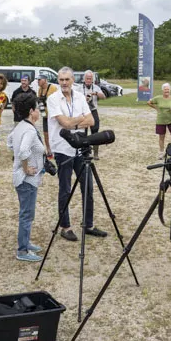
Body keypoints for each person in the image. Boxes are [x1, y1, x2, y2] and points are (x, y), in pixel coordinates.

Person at [47, 66, 107, 242]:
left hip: (81, 147)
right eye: (61, 80)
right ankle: (65, 227)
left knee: (87, 186)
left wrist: (72, 123)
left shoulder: (80, 97)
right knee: (65, 189)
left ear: (73, 80)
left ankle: (88, 225)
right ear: (58, 81)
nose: (64, 83)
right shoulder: (52, 99)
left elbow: (92, 120)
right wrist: (79, 120)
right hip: (62, 149)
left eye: (67, 79)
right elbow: (64, 123)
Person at [9, 95, 46, 262]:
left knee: (28, 214)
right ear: (31, 111)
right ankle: (22, 251)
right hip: (26, 180)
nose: (39, 111)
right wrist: (25, 168)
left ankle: (26, 242)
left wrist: (18, 159)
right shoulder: (30, 130)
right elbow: (23, 150)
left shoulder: (21, 126)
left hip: (23, 179)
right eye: (37, 108)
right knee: (26, 215)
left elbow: (9, 142)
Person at [77, 70, 106, 160]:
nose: (88, 80)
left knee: (95, 132)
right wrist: (83, 98)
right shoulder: (79, 88)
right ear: (84, 79)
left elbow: (103, 97)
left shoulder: (96, 87)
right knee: (83, 133)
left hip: (93, 111)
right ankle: (84, 152)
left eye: (90, 79)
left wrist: (95, 93)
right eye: (87, 78)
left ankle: (96, 153)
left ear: (92, 79)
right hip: (83, 112)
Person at [147, 83, 171, 158]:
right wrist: (156, 108)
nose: (166, 91)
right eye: (165, 89)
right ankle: (161, 152)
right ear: (162, 90)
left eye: (168, 89)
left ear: (170, 90)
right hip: (161, 120)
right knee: (161, 137)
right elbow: (149, 102)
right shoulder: (158, 98)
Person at [36, 74, 58, 157]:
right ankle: (49, 151)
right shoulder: (39, 90)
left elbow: (57, 100)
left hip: (53, 116)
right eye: (37, 80)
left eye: (39, 80)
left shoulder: (53, 88)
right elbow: (40, 102)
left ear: (45, 80)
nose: (38, 82)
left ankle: (55, 150)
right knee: (46, 134)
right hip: (45, 115)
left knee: (54, 133)